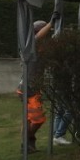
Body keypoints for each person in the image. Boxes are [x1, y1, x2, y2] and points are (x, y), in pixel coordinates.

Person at [19, 19, 54, 153]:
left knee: (28, 119)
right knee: (38, 119)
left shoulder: (40, 49)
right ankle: (26, 141)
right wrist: (50, 24)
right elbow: (37, 37)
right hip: (28, 88)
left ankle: (27, 145)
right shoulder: (30, 46)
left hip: (30, 88)